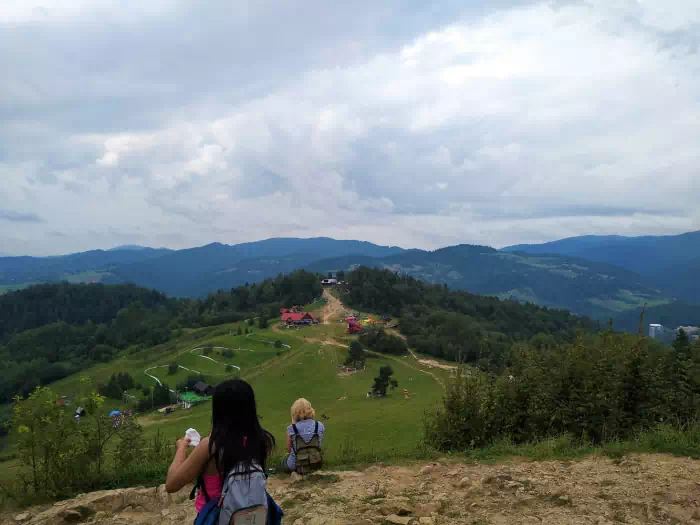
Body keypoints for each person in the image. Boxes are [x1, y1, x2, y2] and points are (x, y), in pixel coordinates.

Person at [165, 379, 276, 522]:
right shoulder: (262, 440)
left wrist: (181, 448)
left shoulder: (211, 446)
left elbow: (172, 484)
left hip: (215, 519)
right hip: (251, 518)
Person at [281, 398, 325, 474]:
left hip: (295, 465)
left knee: (284, 460)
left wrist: (293, 424)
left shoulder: (291, 429)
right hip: (315, 462)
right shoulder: (319, 425)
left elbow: (288, 449)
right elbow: (319, 445)